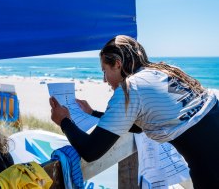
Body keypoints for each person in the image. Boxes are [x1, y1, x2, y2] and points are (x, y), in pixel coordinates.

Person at [49, 35, 219, 188]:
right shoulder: (161, 71)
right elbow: (137, 126)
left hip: (210, 163)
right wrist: (92, 112)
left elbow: (91, 151)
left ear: (117, 64)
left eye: (104, 71)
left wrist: (64, 121)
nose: (104, 79)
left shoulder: (130, 89)